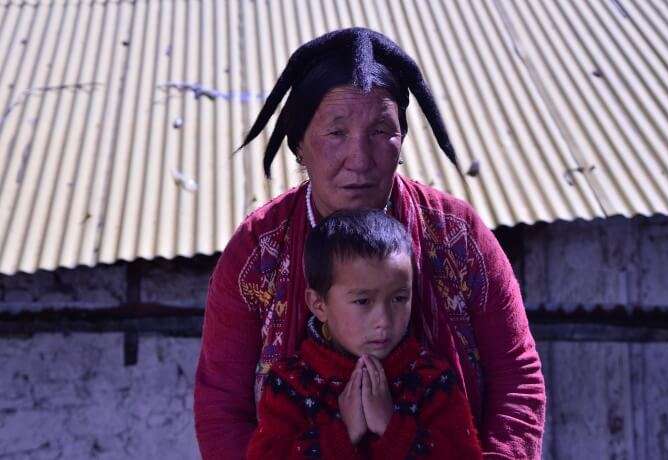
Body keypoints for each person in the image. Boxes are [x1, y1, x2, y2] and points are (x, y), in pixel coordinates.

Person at [195, 27, 545, 459]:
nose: (359, 159)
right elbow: (221, 405)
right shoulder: (257, 251)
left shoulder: (459, 237)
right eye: (336, 133)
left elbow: (517, 377)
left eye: (381, 131)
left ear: (402, 140)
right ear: (299, 144)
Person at [246, 209, 483, 459]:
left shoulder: (431, 379)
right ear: (319, 305)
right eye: (363, 301)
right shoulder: (292, 383)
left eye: (399, 298)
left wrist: (392, 427)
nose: (383, 320)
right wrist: (343, 431)